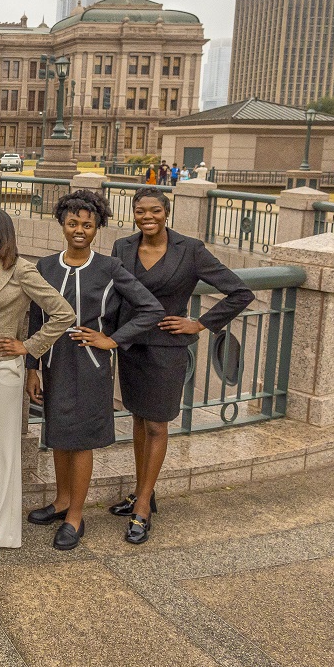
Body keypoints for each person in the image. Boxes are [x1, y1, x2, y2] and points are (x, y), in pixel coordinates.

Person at [108, 187, 253, 543]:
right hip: (131, 347)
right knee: (139, 421)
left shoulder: (190, 250)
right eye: (140, 211)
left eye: (155, 210)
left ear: (166, 212)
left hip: (166, 350)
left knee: (157, 425)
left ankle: (142, 507)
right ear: (134, 213)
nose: (147, 217)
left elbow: (239, 292)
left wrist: (200, 323)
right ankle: (145, 492)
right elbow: (113, 295)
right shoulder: (122, 247)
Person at [26, 190, 164, 550]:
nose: (79, 230)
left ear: (97, 228)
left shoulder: (109, 268)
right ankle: (61, 501)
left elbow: (150, 309)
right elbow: (35, 318)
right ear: (62, 225)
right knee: (57, 433)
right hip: (54, 361)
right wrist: (31, 367)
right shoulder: (45, 267)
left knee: (82, 438)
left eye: (87, 224)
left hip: (91, 365)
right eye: (73, 223)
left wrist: (112, 340)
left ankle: (76, 517)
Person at [0, 208, 75, 556]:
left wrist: (29, 346)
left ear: (4, 233)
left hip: (4, 366)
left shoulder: (22, 270)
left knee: (3, 447)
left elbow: (63, 312)